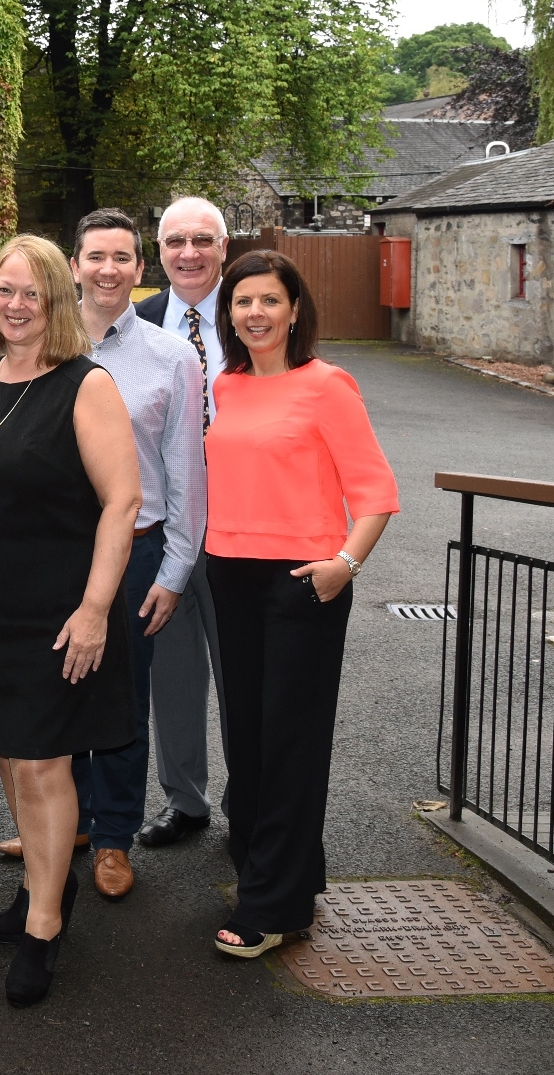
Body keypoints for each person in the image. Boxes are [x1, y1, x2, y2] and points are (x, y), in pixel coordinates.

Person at [0, 234, 142, 1007]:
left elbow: (123, 502)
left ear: (57, 298)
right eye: (3, 291)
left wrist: (95, 609)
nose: (15, 305)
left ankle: (44, 922)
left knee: (44, 764)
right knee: (10, 757)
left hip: (55, 608)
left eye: (30, 293)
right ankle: (44, 891)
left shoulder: (87, 386)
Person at [203, 250, 397, 957]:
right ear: (229, 313)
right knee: (249, 740)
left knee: (289, 743)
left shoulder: (327, 386)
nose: (254, 313)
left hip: (301, 582)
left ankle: (273, 907)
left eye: (268, 301)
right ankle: (287, 874)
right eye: (242, 301)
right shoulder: (226, 386)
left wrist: (343, 566)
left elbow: (375, 493)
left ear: (293, 311)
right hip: (229, 573)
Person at [63, 209, 207, 900]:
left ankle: (114, 837)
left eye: (122, 257)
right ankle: (68, 822)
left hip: (138, 555)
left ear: (138, 269)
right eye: (96, 256)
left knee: (120, 701)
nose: (109, 269)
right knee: (57, 694)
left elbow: (185, 474)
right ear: (74, 266)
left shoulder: (170, 356)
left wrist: (176, 572)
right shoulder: (43, 347)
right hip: (56, 551)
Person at [132, 196, 229, 847]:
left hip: (237, 530)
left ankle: (247, 804)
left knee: (241, 675)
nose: (188, 253)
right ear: (159, 251)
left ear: (225, 247)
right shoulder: (135, 324)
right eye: (175, 242)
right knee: (172, 676)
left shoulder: (258, 318)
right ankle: (185, 802)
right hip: (163, 531)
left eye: (202, 240)